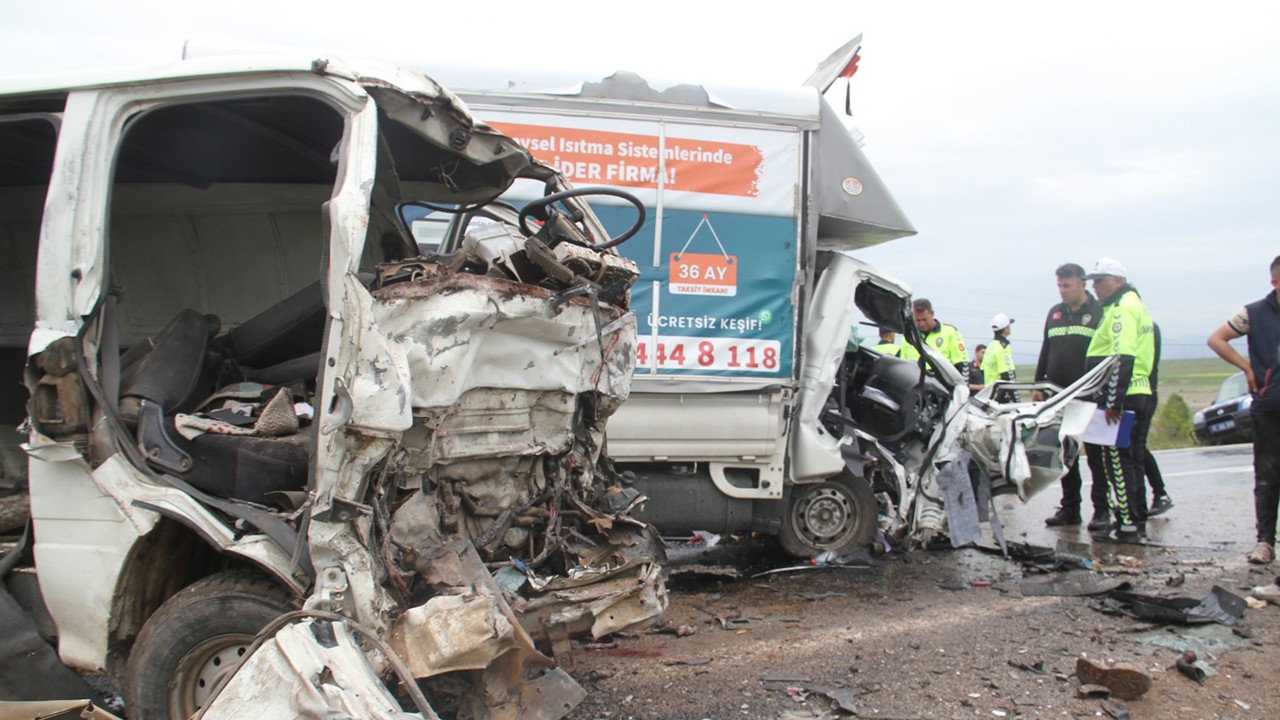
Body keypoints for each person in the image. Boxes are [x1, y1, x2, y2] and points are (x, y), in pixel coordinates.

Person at [1207, 255, 1280, 564]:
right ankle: (1265, 542)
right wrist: (1247, 369)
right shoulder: (1254, 313)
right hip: (1269, 406)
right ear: (1275, 282)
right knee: (1267, 475)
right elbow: (1216, 339)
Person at [1083, 258, 1157, 543]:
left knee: (1118, 461)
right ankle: (1136, 520)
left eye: (1100, 281)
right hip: (1140, 391)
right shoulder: (1138, 306)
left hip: (1123, 398)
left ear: (1118, 281)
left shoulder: (1121, 310)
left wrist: (1113, 401)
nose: (1095, 286)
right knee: (1134, 460)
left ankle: (1127, 524)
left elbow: (1122, 358)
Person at [1034, 263, 1109, 528]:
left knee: (1097, 455)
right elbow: (1046, 349)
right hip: (1058, 395)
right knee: (1066, 455)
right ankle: (1070, 508)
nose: (1062, 291)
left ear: (1082, 284)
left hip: (1089, 395)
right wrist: (1038, 384)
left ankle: (1102, 510)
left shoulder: (1099, 312)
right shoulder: (1055, 313)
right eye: (1059, 286)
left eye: (1067, 285)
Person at [900, 298, 971, 377]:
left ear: (932, 314)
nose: (922, 324)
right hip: (915, 382)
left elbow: (962, 365)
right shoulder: (909, 338)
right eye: (918, 320)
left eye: (924, 319)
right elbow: (902, 367)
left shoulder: (950, 333)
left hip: (943, 384)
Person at [1145, 323, 1173, 516]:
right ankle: (1158, 493)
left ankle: (1160, 493)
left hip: (1141, 395)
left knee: (1133, 447)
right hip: (1140, 393)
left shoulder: (1147, 327)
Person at [982, 314, 1018, 402]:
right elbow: (1008, 374)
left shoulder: (990, 346)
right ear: (1005, 328)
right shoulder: (1003, 347)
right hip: (1000, 395)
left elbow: (982, 369)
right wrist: (1016, 400)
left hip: (988, 394)